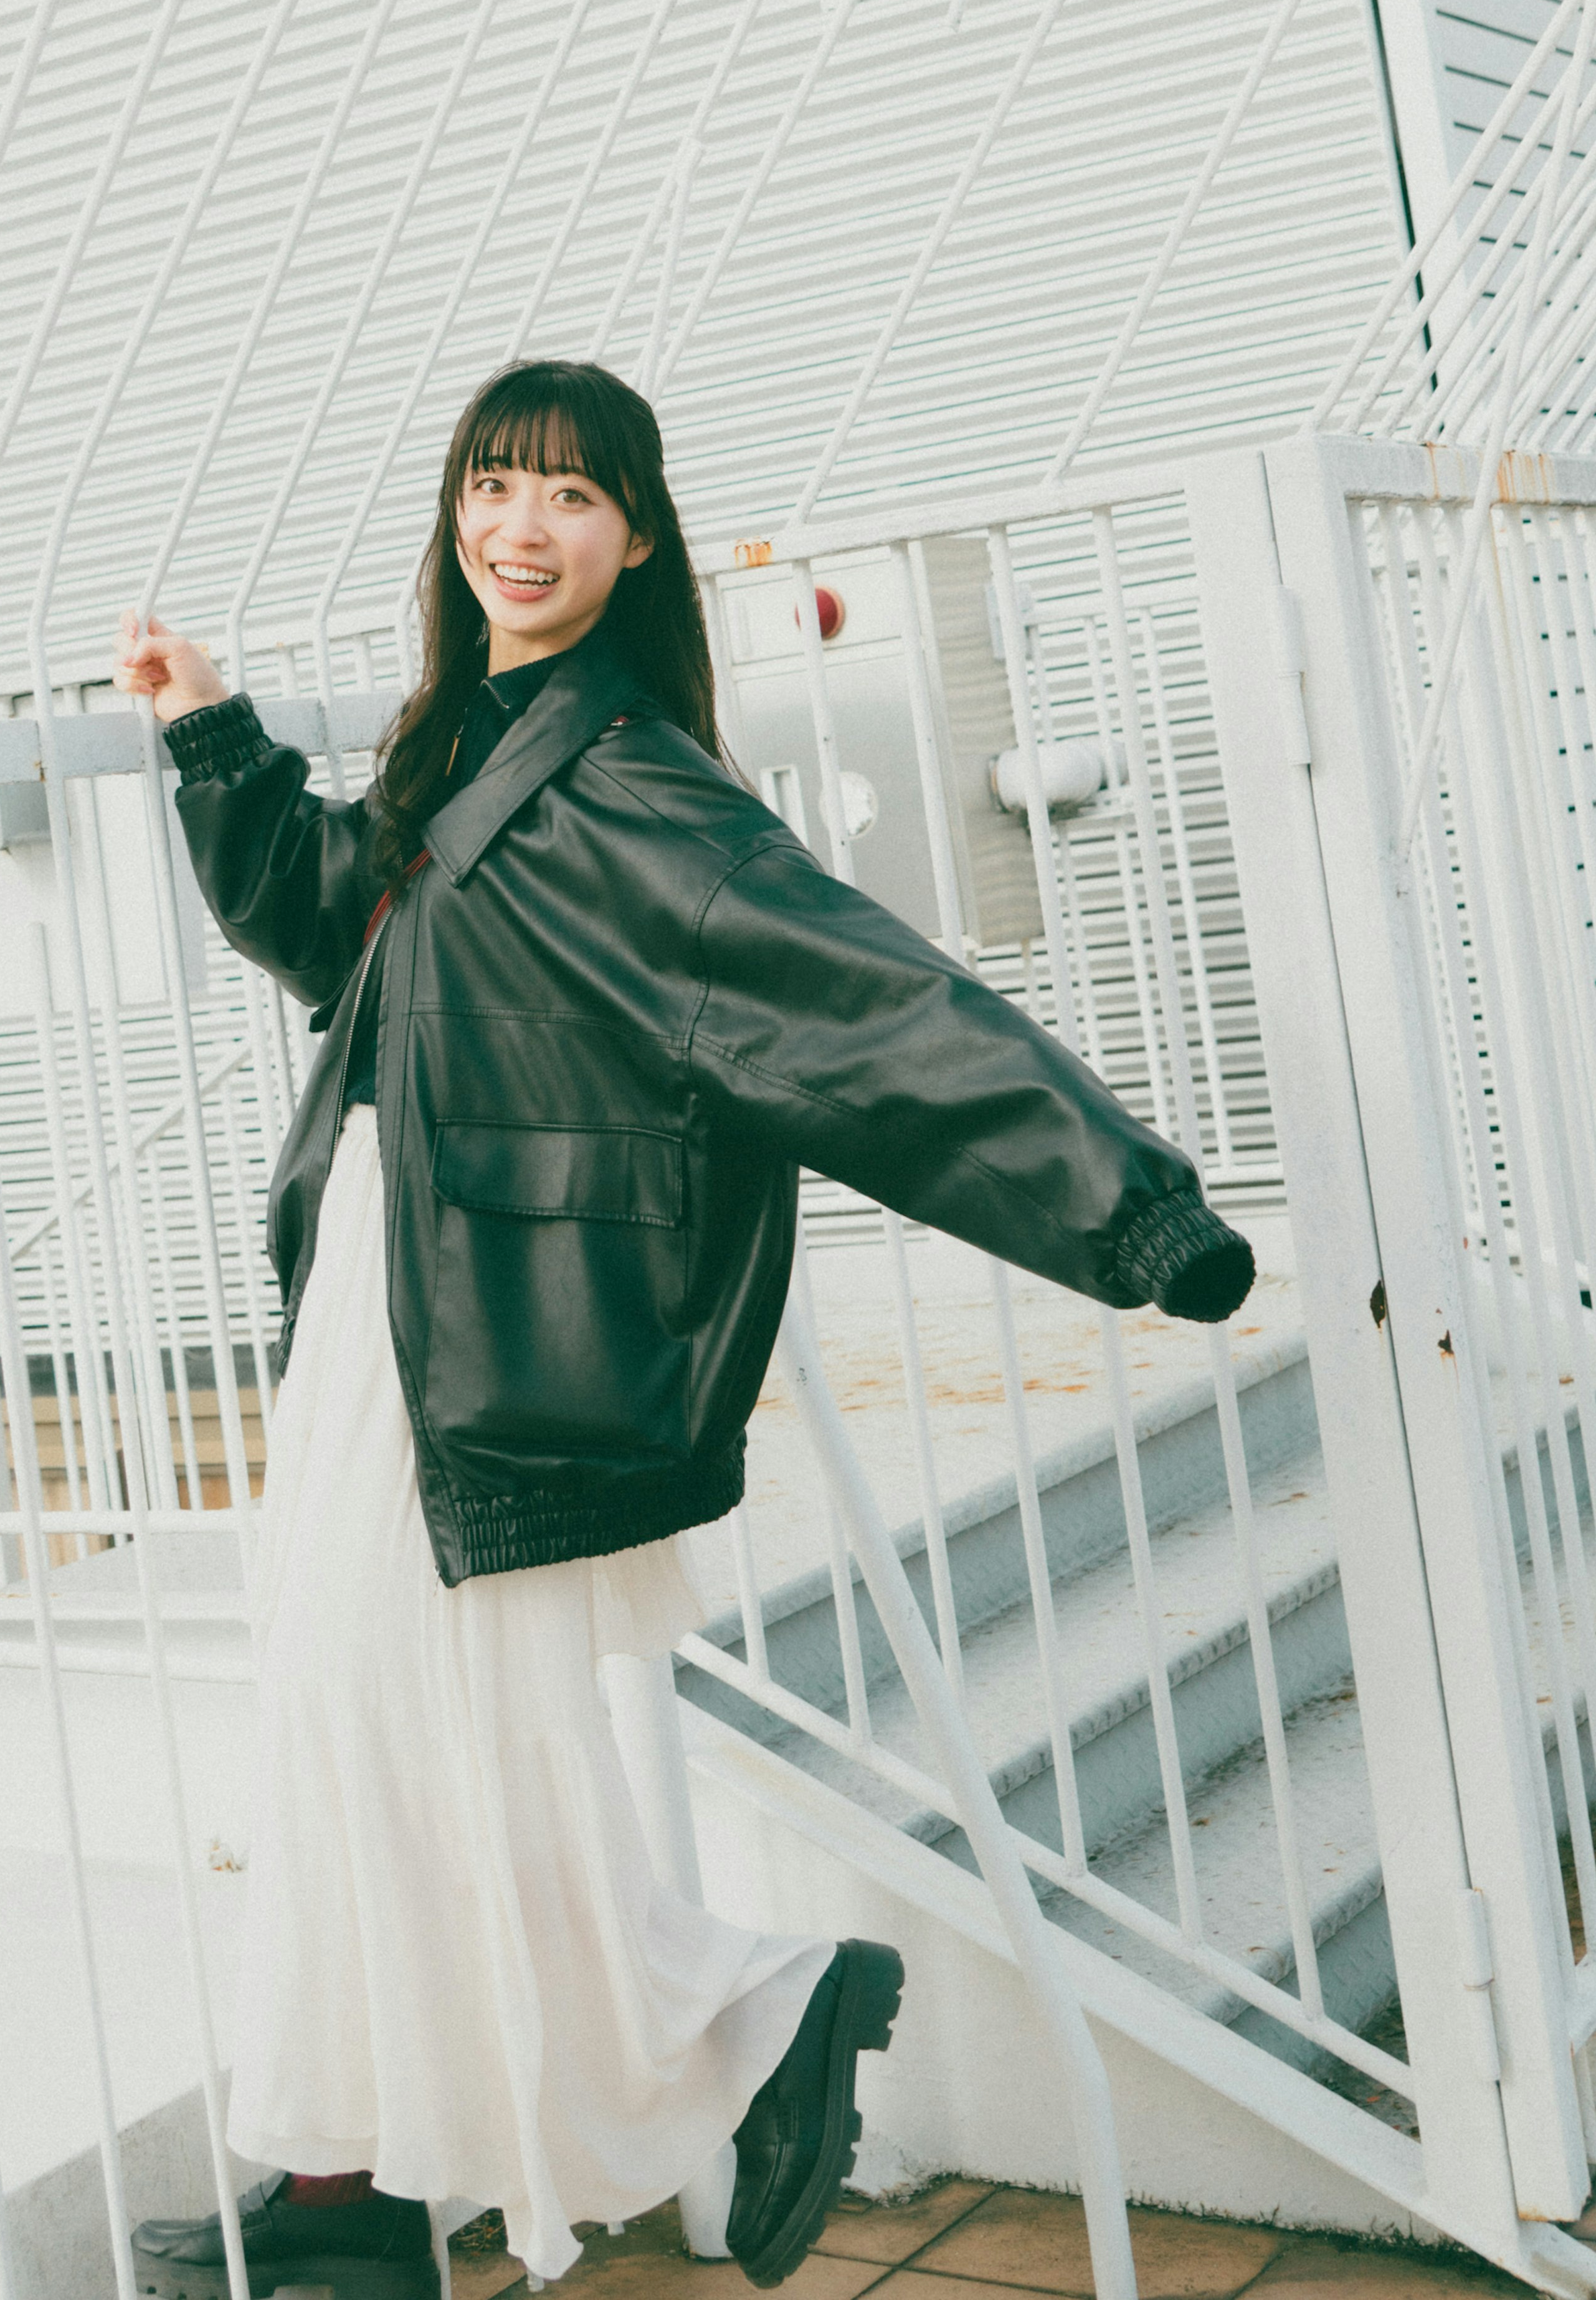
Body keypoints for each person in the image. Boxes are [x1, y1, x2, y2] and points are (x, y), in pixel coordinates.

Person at [118, 359, 1254, 2300]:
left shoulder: (631, 784)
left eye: (568, 496)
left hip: (477, 1330)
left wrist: (1133, 1211)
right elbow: (342, 938)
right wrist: (215, 739)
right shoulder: (468, 738)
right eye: (492, 484)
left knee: (401, 1732)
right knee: (365, 1733)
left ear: (635, 538)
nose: (519, 527)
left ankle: (671, 2048)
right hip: (396, 1301)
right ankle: (351, 2185)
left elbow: (879, 1020)